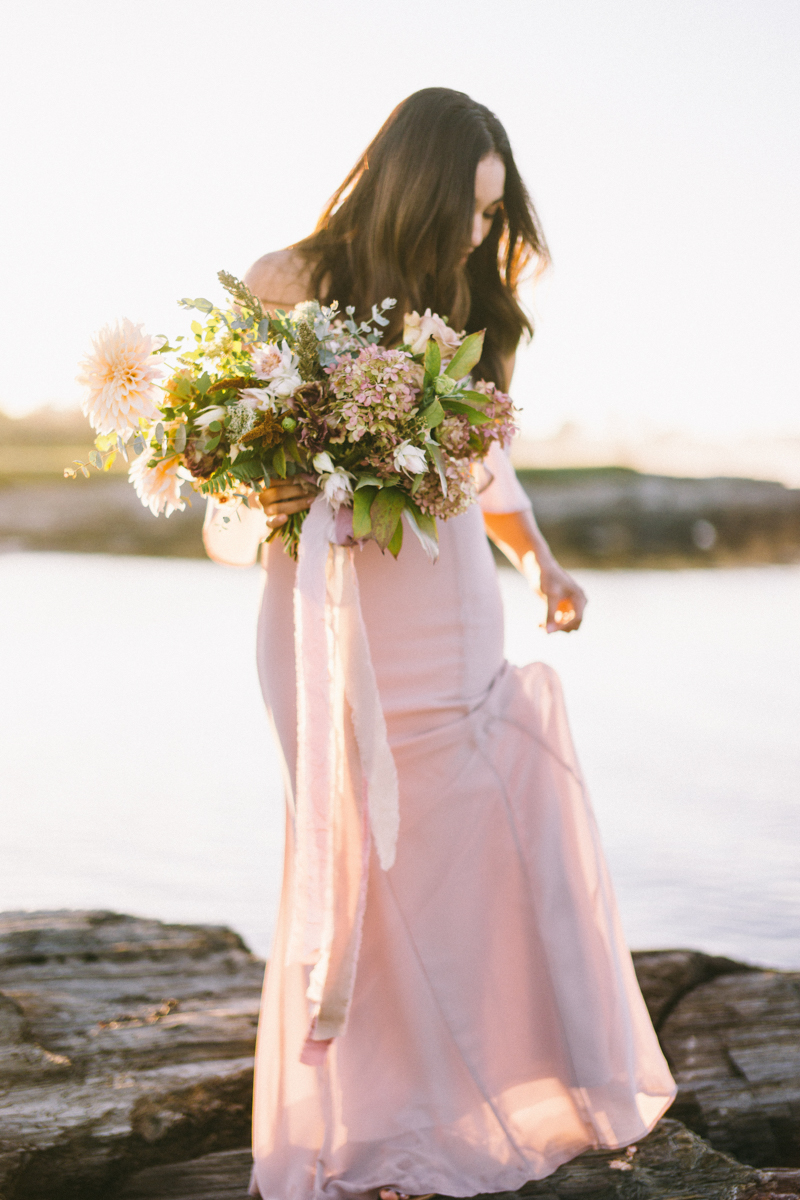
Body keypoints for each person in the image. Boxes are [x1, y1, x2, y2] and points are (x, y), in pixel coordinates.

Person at [204, 87, 675, 1200]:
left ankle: (486, 1101)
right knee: (349, 840)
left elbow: (481, 467)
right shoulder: (284, 280)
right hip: (326, 604)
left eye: (492, 213)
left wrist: (540, 560)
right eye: (469, 208)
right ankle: (364, 1121)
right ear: (413, 185)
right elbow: (226, 447)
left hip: (445, 602)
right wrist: (277, 463)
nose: (479, 233)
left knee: (474, 841)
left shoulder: (464, 303)